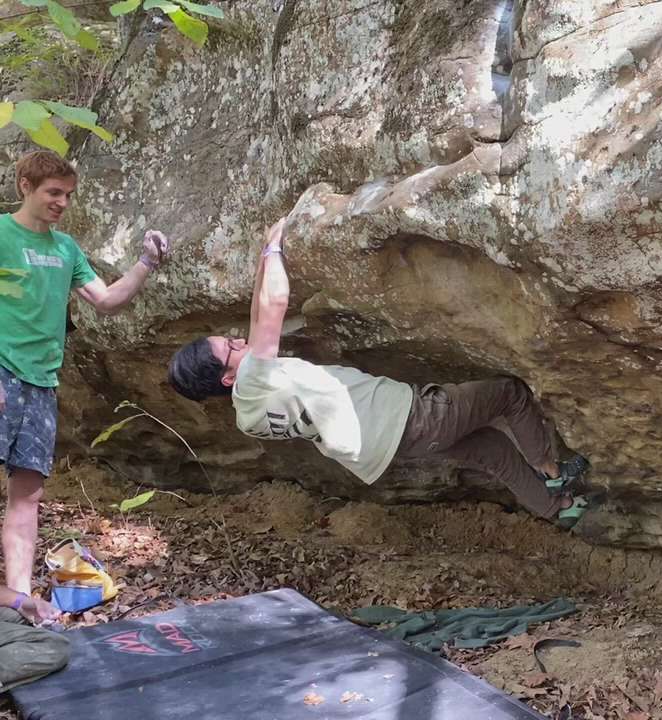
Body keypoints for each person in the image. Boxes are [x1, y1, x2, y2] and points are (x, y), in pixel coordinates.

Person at [166, 218, 591, 528]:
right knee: (509, 393)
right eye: (232, 348)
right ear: (226, 377)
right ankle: (551, 471)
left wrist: (261, 263)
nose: (241, 341)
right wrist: (272, 248)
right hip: (412, 418)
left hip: (392, 449)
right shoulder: (255, 378)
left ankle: (561, 510)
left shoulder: (248, 414)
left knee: (494, 452)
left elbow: (258, 317)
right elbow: (272, 306)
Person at [1, 150, 171, 596]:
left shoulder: (65, 248)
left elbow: (108, 301)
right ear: (25, 186)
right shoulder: (1, 233)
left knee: (29, 493)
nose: (62, 202)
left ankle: (17, 601)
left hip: (42, 382)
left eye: (68, 195)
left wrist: (145, 263)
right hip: (2, 372)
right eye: (53, 192)